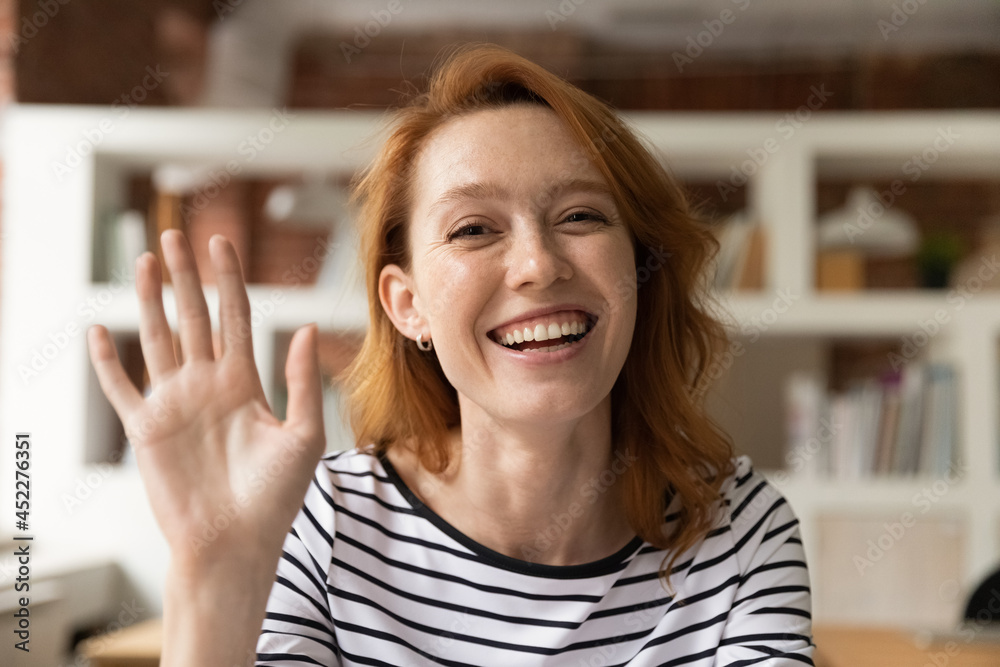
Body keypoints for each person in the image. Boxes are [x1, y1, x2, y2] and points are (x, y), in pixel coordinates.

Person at [87, 43, 814, 666]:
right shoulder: (321, 524)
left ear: (639, 269)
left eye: (581, 215)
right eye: (473, 229)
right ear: (408, 305)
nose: (537, 263)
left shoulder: (741, 530)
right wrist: (218, 574)